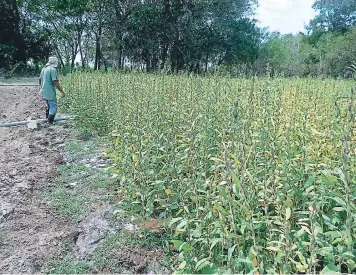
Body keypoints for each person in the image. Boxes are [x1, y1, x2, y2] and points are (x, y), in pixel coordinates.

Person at [39, 56, 65, 124]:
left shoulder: (44, 69)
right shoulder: (52, 70)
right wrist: (61, 91)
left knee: (49, 105)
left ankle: (47, 119)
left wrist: (41, 87)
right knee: (53, 107)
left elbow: (40, 79)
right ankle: (50, 122)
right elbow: (55, 82)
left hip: (44, 91)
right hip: (50, 91)